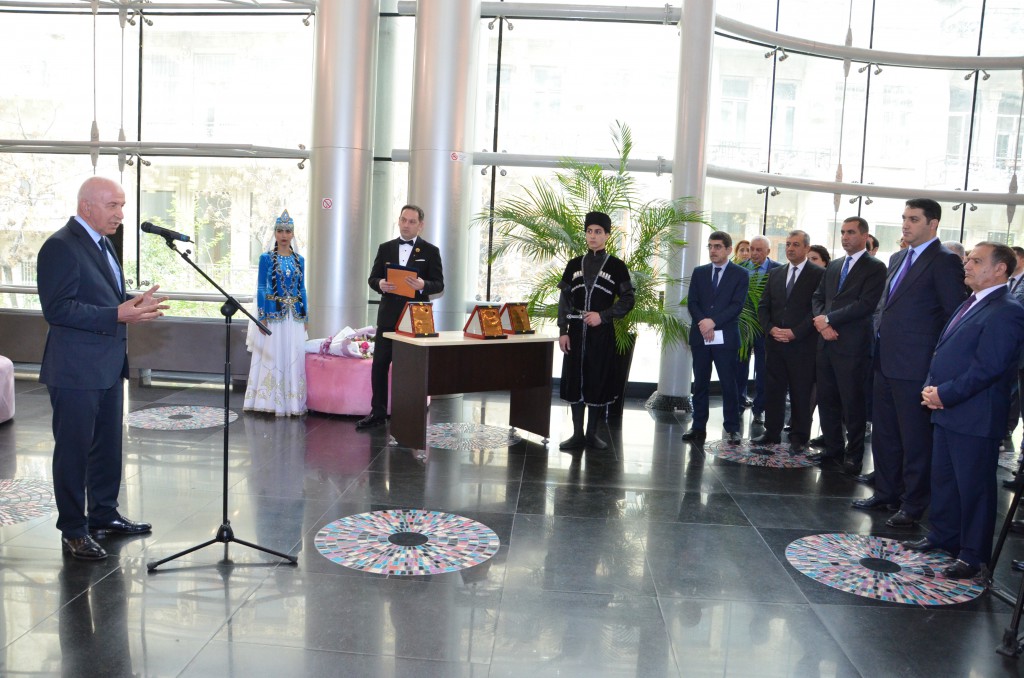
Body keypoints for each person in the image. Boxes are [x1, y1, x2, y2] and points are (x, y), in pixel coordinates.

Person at [37, 176, 169, 560]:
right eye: (113, 205)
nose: (120, 214)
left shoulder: (103, 243)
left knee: (107, 448)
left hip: (108, 367)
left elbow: (101, 297)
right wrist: (116, 314)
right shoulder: (60, 246)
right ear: (87, 206)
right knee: (74, 452)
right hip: (75, 370)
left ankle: (104, 514)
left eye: (122, 206)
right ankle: (73, 530)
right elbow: (57, 309)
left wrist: (133, 303)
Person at [902, 243, 1024, 579]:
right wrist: (931, 389)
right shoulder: (972, 301)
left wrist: (945, 394)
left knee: (974, 488)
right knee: (945, 480)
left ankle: (972, 555)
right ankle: (944, 536)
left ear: (1000, 269)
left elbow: (989, 368)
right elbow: (943, 351)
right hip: (948, 408)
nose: (966, 265)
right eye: (968, 259)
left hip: (975, 415)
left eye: (976, 261)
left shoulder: (1007, 310)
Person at [856, 199, 966, 527]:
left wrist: (936, 365)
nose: (905, 224)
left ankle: (914, 503)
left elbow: (952, 316)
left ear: (933, 224)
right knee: (885, 434)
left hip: (917, 366)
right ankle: (886, 492)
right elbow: (886, 306)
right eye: (904, 218)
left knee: (915, 440)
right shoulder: (897, 257)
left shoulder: (944, 261)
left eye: (914, 219)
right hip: (885, 360)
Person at [810, 217, 886, 473]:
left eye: (851, 232)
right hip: (826, 343)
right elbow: (818, 297)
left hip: (853, 345)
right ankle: (833, 449)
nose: (844, 237)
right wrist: (822, 323)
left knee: (852, 403)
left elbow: (865, 305)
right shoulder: (835, 265)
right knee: (827, 399)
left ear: (865, 236)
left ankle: (854, 455)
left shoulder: (875, 267)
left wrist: (828, 319)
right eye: (842, 232)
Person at [358, 204, 444, 430]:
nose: (406, 225)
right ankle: (377, 413)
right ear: (398, 220)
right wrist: (380, 283)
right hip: (388, 317)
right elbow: (372, 278)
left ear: (420, 225)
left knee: (411, 369)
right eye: (403, 220)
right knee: (379, 365)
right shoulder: (385, 248)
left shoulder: (431, 251)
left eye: (411, 221)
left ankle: (410, 414)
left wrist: (423, 285)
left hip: (415, 318)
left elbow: (439, 284)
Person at [557, 211, 635, 450]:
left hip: (601, 334)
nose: (593, 236)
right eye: (589, 231)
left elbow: (628, 299)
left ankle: (592, 434)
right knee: (575, 380)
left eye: (598, 232)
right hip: (575, 332)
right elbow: (565, 300)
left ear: (607, 235)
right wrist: (563, 330)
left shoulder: (617, 266)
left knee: (597, 379)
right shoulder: (573, 264)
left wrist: (603, 316)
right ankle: (577, 434)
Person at [753, 230, 824, 454]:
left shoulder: (818, 274)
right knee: (773, 390)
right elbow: (764, 306)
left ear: (806, 248)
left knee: (801, 392)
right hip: (775, 344)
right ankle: (771, 432)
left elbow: (817, 309)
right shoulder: (776, 273)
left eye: (795, 244)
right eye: (788, 244)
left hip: (802, 345)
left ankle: (799, 437)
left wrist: (795, 332)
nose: (790, 248)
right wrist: (770, 328)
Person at [682, 231, 749, 443]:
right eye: (710, 246)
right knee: (700, 384)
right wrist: (704, 322)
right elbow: (692, 302)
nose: (713, 250)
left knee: (729, 384)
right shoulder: (699, 272)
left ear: (728, 249)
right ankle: (698, 427)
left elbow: (736, 306)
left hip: (725, 338)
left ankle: (732, 428)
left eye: (718, 246)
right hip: (701, 335)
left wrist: (713, 321)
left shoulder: (740, 274)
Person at [244, 210, 308, 416]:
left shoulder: (300, 260)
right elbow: (262, 287)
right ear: (275, 233)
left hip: (294, 317)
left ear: (293, 234)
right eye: (280, 231)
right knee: (273, 355)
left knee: (293, 356)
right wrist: (262, 316)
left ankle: (292, 402)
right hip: (273, 315)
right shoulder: (266, 258)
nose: (284, 235)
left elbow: (302, 288)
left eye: (288, 231)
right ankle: (269, 402)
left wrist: (305, 315)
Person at [737, 235, 780, 425]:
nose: (753, 253)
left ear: (768, 252)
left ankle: (759, 409)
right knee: (739, 368)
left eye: (759, 250)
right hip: (743, 328)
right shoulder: (740, 269)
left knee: (763, 371)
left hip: (766, 329)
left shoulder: (778, 270)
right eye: (751, 249)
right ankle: (738, 404)